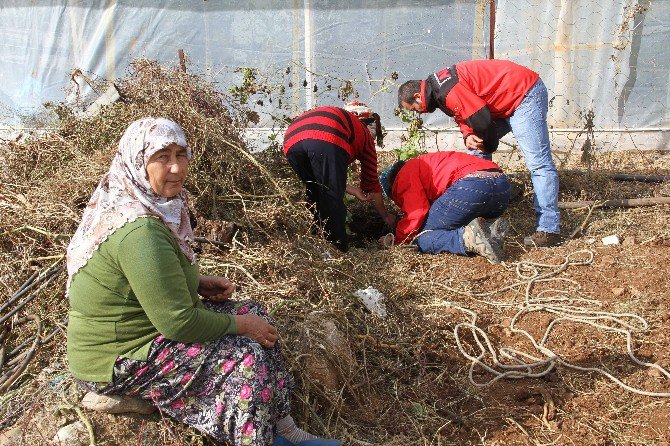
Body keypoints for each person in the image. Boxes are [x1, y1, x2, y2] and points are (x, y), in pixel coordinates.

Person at [66, 118, 339, 446]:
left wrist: (195, 282)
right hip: (116, 357)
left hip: (144, 330)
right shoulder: (140, 231)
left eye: (181, 155)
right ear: (138, 162)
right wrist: (240, 325)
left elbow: (148, 276)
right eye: (162, 157)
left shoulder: (146, 204)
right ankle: (257, 439)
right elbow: (178, 322)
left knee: (256, 313)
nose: (176, 168)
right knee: (246, 357)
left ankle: (284, 430)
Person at [397, 59, 560, 247]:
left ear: (418, 96)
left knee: (538, 163)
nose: (419, 113)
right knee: (475, 151)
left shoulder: (446, 90)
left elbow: (482, 121)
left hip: (522, 93)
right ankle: (480, 216)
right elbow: (463, 112)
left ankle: (548, 228)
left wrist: (488, 144)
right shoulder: (437, 89)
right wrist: (468, 135)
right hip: (499, 102)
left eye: (414, 109)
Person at [283, 101, 395, 252]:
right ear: (369, 124)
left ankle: (317, 242)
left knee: (315, 190)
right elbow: (372, 186)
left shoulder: (345, 121)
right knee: (332, 199)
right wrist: (386, 216)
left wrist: (355, 191)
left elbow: (325, 178)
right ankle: (337, 251)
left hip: (291, 139)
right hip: (326, 134)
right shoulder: (365, 136)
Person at [378, 151, 510, 262]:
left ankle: (468, 240)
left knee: (420, 235)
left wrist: (397, 240)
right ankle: (488, 227)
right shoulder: (428, 162)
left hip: (471, 188)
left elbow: (416, 213)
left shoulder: (403, 176)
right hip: (502, 188)